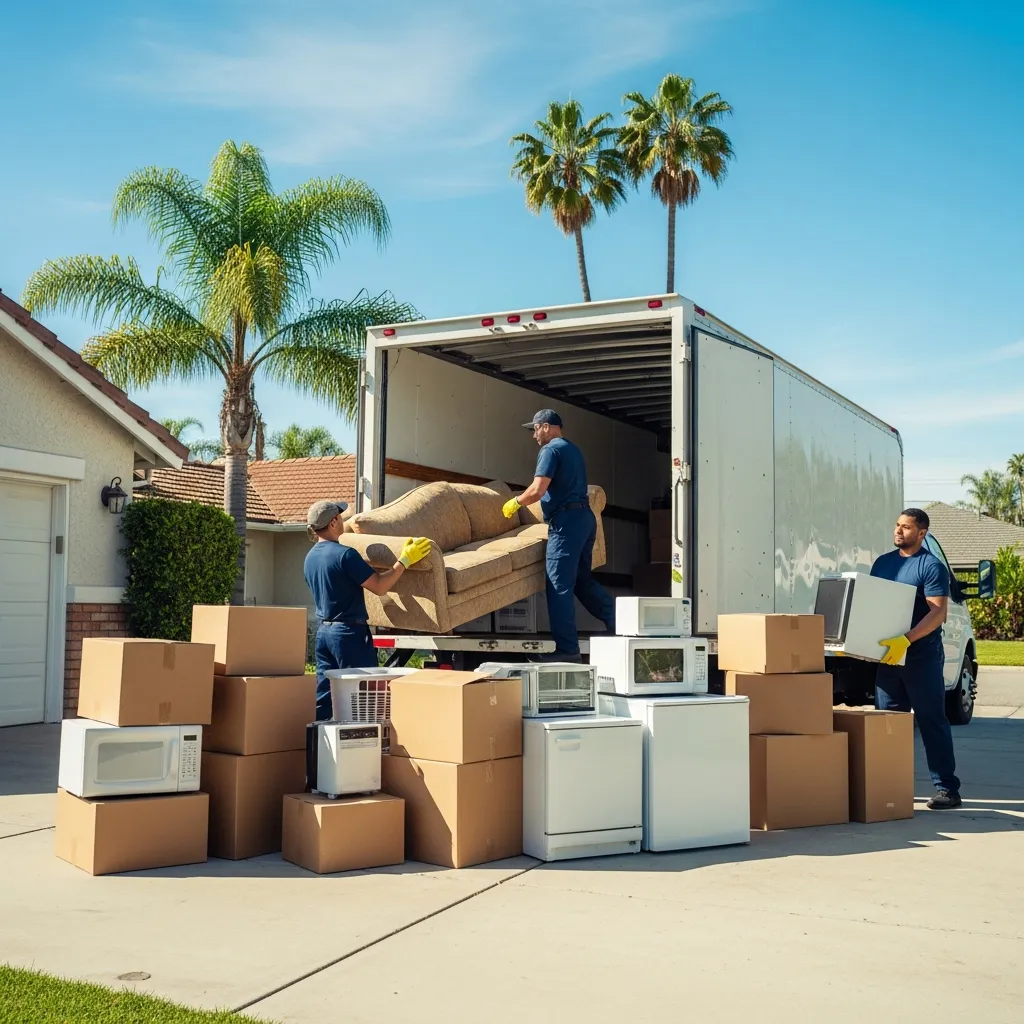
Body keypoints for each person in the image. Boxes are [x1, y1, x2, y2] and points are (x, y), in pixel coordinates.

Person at [502, 410, 614, 662]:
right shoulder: (573, 450)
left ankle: (567, 650)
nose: (533, 436)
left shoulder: (550, 451)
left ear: (545, 427)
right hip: (585, 519)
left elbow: (538, 489)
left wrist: (516, 502)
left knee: (559, 586)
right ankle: (619, 622)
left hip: (566, 523)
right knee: (582, 581)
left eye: (535, 429)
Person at [304, 500, 430, 721]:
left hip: (323, 633)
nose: (343, 520)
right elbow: (380, 586)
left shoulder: (310, 558)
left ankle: (318, 750)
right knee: (364, 698)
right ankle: (362, 747)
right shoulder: (345, 555)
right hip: (348, 635)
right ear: (333, 522)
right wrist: (404, 561)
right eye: (341, 517)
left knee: (325, 699)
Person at [870, 507, 961, 810]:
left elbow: (938, 612)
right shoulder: (882, 564)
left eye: (906, 527)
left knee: (931, 720)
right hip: (889, 657)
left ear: (921, 533)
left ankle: (946, 788)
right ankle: (890, 787)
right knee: (888, 725)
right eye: (897, 525)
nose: (899, 531)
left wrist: (906, 639)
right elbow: (872, 606)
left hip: (921, 657)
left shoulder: (930, 566)